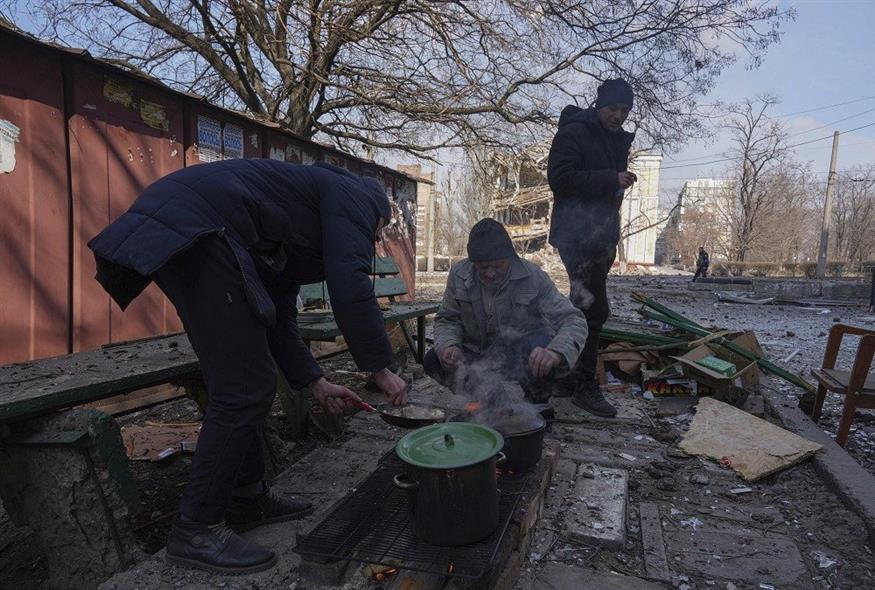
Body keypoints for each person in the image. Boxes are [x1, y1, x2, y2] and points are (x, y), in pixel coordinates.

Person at [88, 159, 408, 574]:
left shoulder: (300, 217)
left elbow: (278, 315)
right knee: (243, 386)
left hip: (191, 225)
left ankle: (247, 499)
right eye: (378, 231)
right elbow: (351, 281)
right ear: (377, 212)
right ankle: (196, 528)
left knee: (247, 376)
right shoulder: (356, 196)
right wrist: (380, 368)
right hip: (199, 227)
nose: (375, 238)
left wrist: (315, 382)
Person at [546, 78, 637, 417]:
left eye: (625, 110)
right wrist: (610, 179)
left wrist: (619, 183)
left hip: (601, 235)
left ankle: (567, 378)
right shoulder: (573, 133)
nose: (619, 115)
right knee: (593, 309)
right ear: (600, 104)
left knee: (581, 307)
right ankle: (585, 384)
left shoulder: (616, 139)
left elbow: (604, 188)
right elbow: (560, 179)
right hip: (576, 234)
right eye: (614, 108)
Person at [426, 219, 587, 403]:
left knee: (542, 349)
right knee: (433, 360)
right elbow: (447, 319)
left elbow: (573, 320)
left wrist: (555, 352)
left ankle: (537, 408)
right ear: (473, 263)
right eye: (483, 267)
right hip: (477, 356)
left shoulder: (534, 277)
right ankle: (485, 403)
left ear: (510, 258)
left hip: (516, 357)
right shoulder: (459, 275)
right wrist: (449, 345)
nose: (490, 273)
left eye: (497, 266)